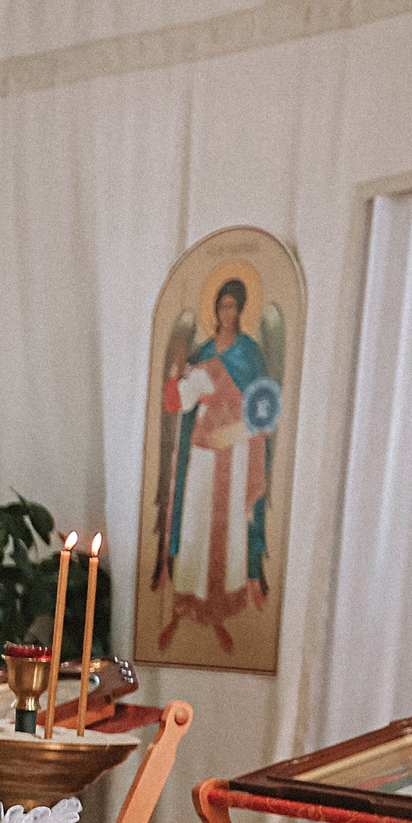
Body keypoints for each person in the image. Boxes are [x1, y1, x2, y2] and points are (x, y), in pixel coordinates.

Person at [157, 277, 278, 648]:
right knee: (196, 528)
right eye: (223, 306)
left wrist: (244, 425)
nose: (228, 313)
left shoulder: (250, 353)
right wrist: (178, 371)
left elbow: (265, 404)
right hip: (203, 456)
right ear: (216, 311)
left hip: (237, 450)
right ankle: (185, 609)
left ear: (241, 310)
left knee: (228, 530)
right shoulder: (205, 353)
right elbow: (176, 402)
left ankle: (221, 613)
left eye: (234, 306)